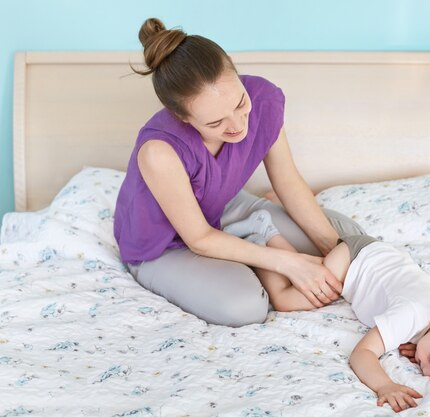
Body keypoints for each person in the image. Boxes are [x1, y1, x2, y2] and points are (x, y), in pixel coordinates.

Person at [113, 18, 365, 327]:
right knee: (246, 307)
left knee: (354, 242)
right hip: (166, 244)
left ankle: (255, 234)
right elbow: (200, 238)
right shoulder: (159, 152)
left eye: (240, 103)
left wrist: (335, 247)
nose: (237, 125)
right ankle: (257, 245)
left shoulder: (264, 99)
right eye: (215, 123)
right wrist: (290, 263)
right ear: (181, 116)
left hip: (224, 207)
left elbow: (287, 182)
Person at [224, 209, 430, 412]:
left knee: (312, 281)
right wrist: (385, 384)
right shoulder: (410, 314)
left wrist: (420, 345)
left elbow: (429, 336)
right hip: (356, 260)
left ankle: (267, 237)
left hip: (377, 255)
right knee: (288, 299)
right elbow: (362, 354)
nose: (425, 370)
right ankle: (261, 235)